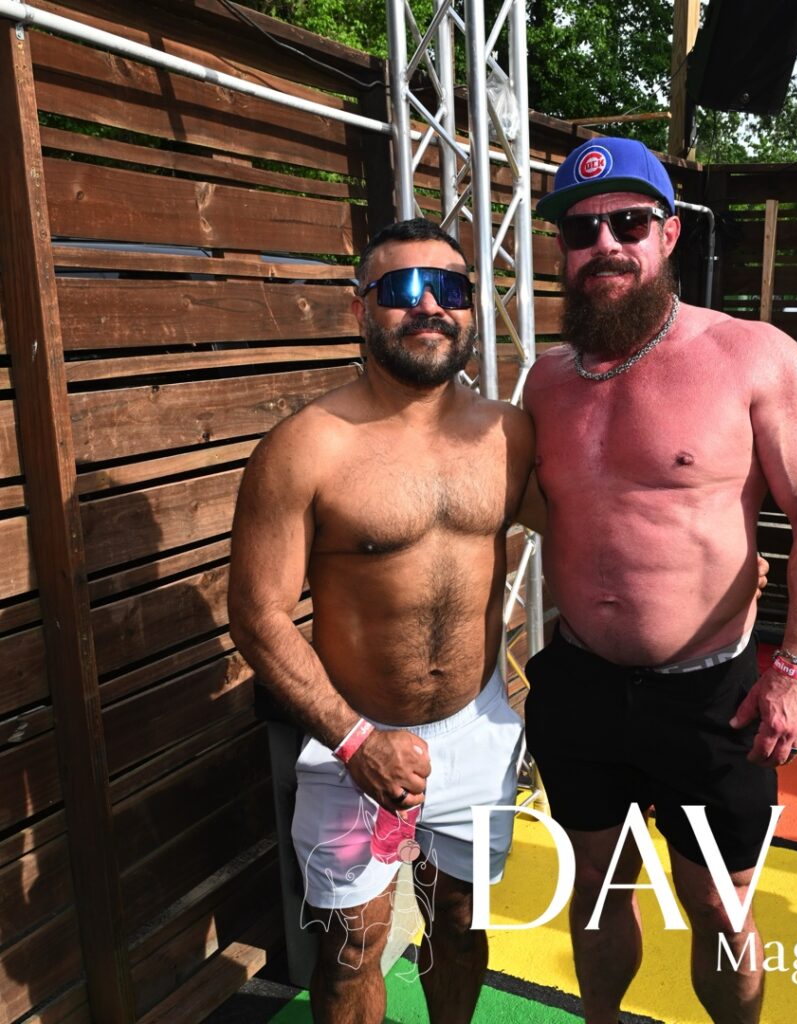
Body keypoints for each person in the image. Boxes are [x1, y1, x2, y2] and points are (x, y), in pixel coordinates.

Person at [522, 137, 797, 1024]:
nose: (605, 244)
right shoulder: (545, 380)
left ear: (668, 234)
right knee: (597, 888)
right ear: (563, 249)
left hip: (712, 697)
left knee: (718, 904)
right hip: (582, 682)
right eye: (582, 230)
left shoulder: (751, 355)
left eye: (628, 223)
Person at [228, 218, 535, 1024]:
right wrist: (355, 741)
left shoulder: (509, 434)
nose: (429, 305)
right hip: (350, 739)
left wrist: (721, 564)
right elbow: (256, 616)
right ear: (359, 308)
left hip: (475, 729)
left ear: (472, 307)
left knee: (459, 922)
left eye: (451, 288)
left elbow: (596, 525)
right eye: (402, 288)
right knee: (350, 949)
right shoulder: (305, 447)